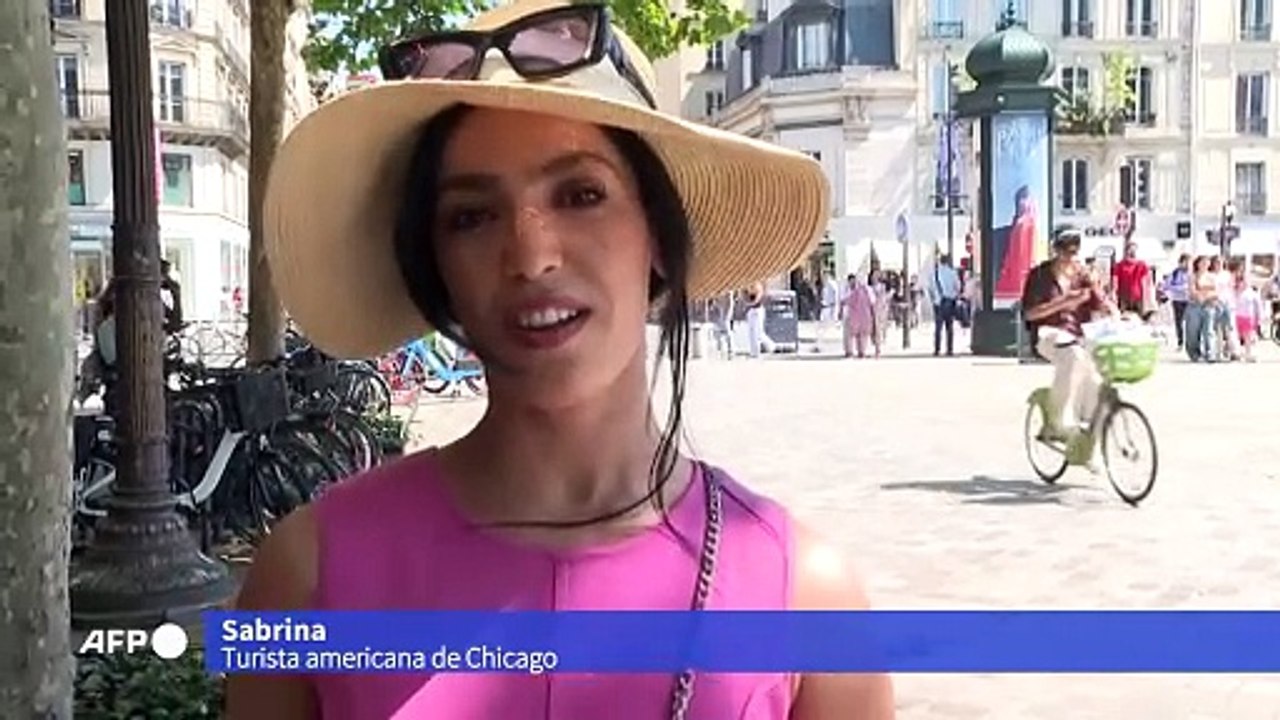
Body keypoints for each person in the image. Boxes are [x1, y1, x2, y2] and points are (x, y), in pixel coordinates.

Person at [226, 1, 895, 717]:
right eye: (472, 216)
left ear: (658, 235)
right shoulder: (304, 579)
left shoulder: (809, 600)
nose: (532, 255)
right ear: (435, 264)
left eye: (581, 195)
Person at [1020, 228, 1115, 442]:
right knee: (1073, 356)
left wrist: (1115, 312)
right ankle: (1059, 421)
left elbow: (1101, 302)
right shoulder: (1040, 275)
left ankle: (1087, 428)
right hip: (1047, 333)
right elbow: (1030, 313)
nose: (1070, 256)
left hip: (1078, 335)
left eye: (1074, 251)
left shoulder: (1083, 274)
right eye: (1065, 251)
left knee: (1096, 373)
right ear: (1055, 250)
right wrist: (1063, 302)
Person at [925, 253, 962, 356]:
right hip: (950, 301)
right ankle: (949, 349)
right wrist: (954, 295)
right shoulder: (953, 273)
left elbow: (929, 288)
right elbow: (958, 287)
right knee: (949, 327)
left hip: (938, 302)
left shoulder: (934, 274)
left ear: (940, 261)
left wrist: (933, 299)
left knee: (938, 327)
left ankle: (937, 349)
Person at [1110, 241, 1149, 317]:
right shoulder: (1120, 265)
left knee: (1139, 318)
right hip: (1124, 298)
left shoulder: (1142, 265)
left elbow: (1145, 283)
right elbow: (1115, 281)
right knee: (1123, 318)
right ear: (1126, 251)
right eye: (1130, 250)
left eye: (1134, 250)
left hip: (1138, 298)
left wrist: (1146, 299)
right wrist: (1113, 293)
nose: (1132, 252)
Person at [1162, 254, 1191, 349]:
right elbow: (1166, 286)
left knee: (1191, 322)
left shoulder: (1192, 273)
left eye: (1189, 262)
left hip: (1189, 300)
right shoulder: (1175, 273)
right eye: (1185, 262)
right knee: (1179, 322)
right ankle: (1180, 342)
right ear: (1180, 262)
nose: (1187, 264)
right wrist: (1179, 288)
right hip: (1177, 300)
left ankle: (1190, 342)